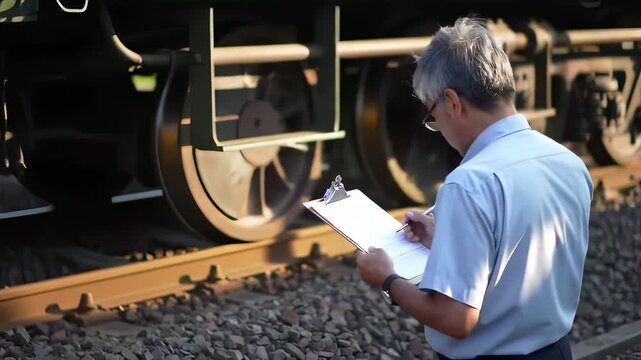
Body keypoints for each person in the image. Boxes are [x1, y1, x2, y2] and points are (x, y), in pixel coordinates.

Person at [355, 17, 593, 360]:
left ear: (452, 101)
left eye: (432, 116)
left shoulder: (469, 185)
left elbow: (456, 319)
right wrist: (445, 238)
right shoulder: (568, 164)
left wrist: (387, 279)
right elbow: (514, 258)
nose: (438, 127)